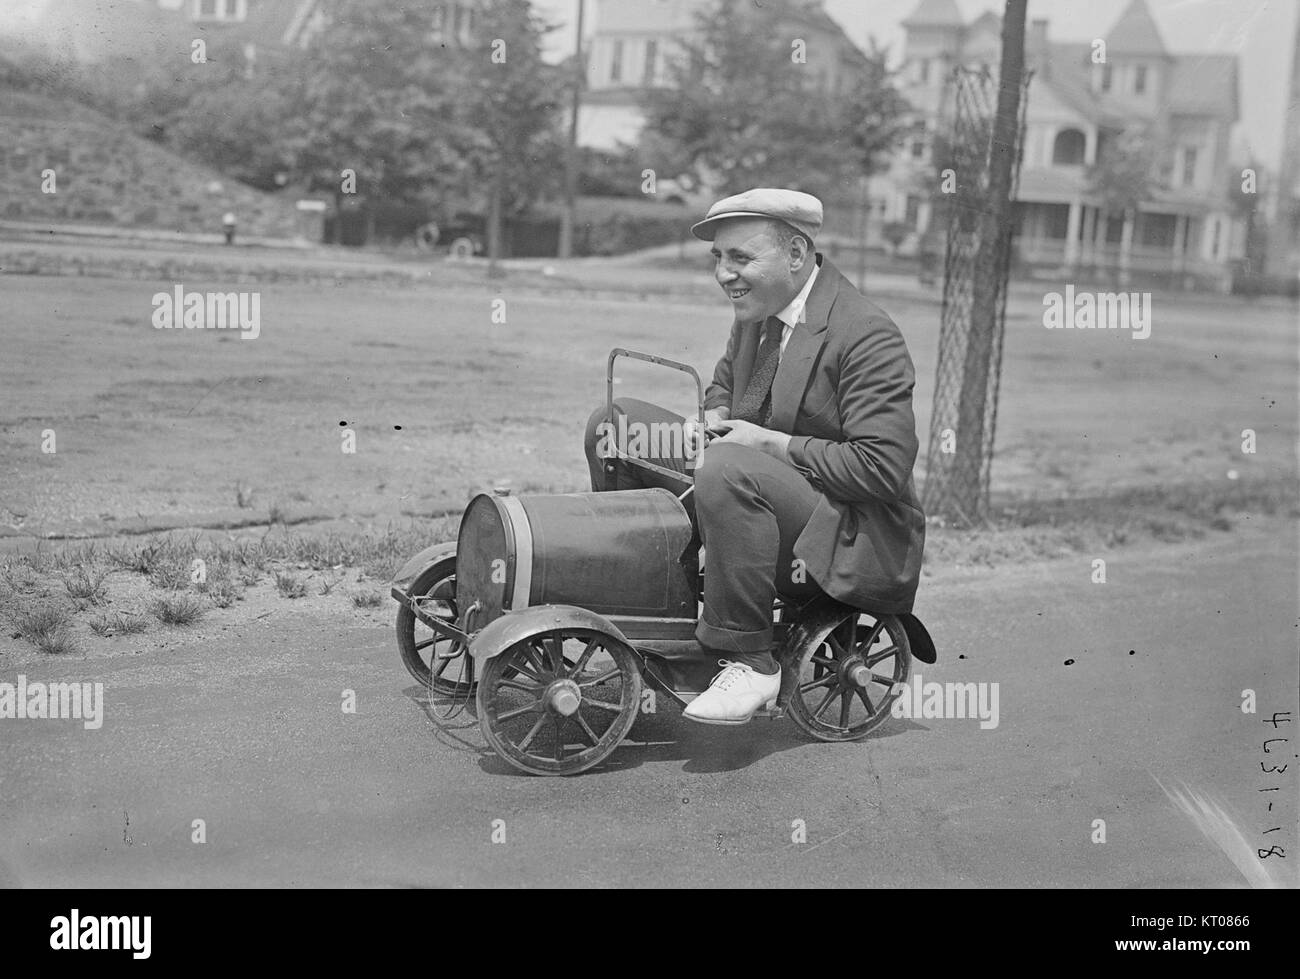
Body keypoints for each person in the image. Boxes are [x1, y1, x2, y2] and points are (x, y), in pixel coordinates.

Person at [583, 188, 925, 725]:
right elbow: (723, 385)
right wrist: (715, 418)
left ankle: (750, 659)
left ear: (795, 253)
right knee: (618, 423)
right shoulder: (758, 311)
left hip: (849, 525)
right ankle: (646, 593)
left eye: (740, 258)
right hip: (755, 485)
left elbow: (881, 468)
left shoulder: (866, 333)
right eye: (717, 258)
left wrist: (767, 443)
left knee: (728, 466)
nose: (724, 273)